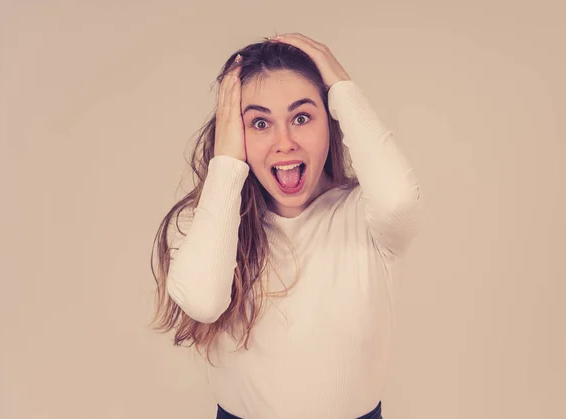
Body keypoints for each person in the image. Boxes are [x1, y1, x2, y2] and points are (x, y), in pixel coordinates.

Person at [151, 33, 423, 419]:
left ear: (330, 122)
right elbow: (203, 300)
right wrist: (227, 161)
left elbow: (400, 201)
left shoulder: (365, 215)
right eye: (260, 123)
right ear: (235, 133)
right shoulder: (201, 223)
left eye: (301, 117)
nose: (285, 142)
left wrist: (343, 88)